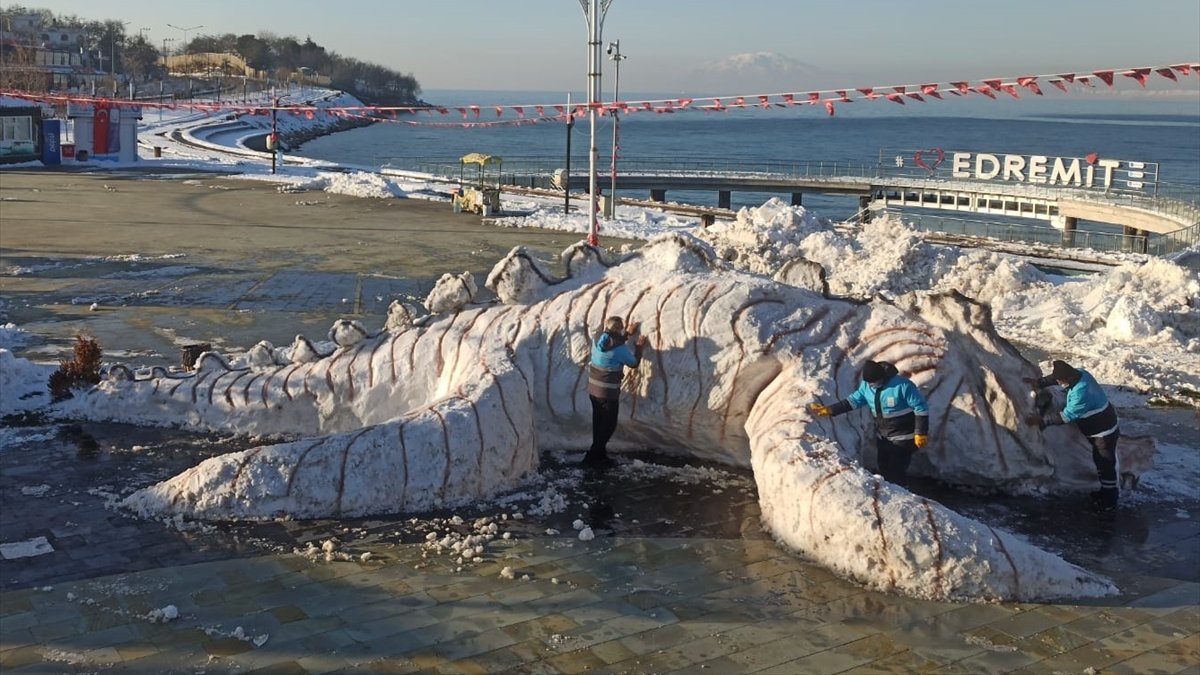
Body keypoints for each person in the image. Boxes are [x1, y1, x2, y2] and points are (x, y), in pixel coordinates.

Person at [807, 360, 929, 486]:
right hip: (883, 436)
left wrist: (921, 432)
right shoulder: (867, 386)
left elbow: (920, 408)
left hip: (903, 436)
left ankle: (904, 494)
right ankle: (889, 492)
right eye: (869, 383)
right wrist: (830, 410)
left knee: (896, 471)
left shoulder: (903, 386)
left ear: (883, 377)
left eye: (874, 382)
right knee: (884, 467)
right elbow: (854, 401)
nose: (872, 386)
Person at [1023, 360, 1121, 510]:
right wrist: (1039, 382)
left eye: (1061, 381)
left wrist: (1041, 421)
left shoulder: (1081, 393)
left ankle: (1109, 500)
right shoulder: (1079, 373)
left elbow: (1066, 417)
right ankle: (1105, 492)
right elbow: (1055, 378)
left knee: (1105, 464)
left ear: (1068, 379)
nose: (1059, 383)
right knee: (1100, 461)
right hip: (1099, 427)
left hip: (1103, 432)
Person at [584, 316, 647, 469]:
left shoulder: (597, 337)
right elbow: (633, 363)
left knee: (599, 423)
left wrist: (626, 335)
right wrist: (639, 348)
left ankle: (599, 455)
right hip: (608, 393)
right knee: (609, 425)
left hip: (593, 389)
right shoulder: (620, 349)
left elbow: (611, 342)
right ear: (618, 329)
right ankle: (593, 457)